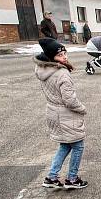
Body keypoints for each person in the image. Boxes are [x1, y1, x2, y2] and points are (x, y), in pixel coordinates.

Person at [34, 38, 88, 190]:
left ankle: (51, 177)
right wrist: (82, 109)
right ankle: (72, 178)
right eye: (60, 55)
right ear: (51, 57)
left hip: (53, 112)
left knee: (65, 145)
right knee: (78, 145)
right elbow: (69, 100)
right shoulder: (62, 73)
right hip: (65, 115)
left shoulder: (44, 70)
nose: (64, 57)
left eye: (65, 53)